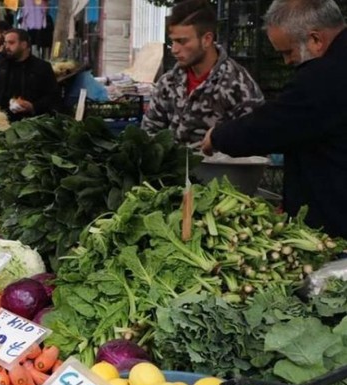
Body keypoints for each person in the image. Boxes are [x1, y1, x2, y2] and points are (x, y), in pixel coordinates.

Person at [202, 0, 347, 238]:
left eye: (288, 52)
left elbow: (274, 125)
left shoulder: (327, 76)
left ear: (315, 40)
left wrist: (218, 136)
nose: (286, 62)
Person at [142, 0, 263, 145]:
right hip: (172, 166)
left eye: (182, 41)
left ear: (206, 40)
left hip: (220, 167)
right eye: (173, 41)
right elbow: (148, 135)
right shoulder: (168, 83)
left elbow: (254, 145)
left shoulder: (238, 85)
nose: (174, 49)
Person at [0, 29, 61, 121]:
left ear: (24, 45)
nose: (6, 47)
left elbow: (53, 97)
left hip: (30, 125)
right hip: (1, 122)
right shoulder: (2, 65)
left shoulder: (42, 67)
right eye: (6, 43)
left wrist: (32, 106)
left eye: (11, 43)